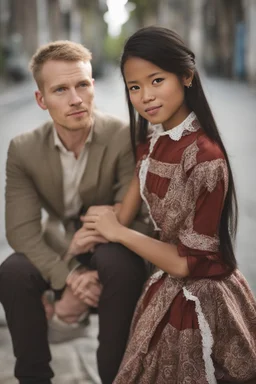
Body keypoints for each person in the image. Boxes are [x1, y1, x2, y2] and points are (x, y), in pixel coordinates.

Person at [82, 27, 256, 383]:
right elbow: (124, 213)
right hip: (164, 286)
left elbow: (185, 262)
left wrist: (117, 231)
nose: (145, 96)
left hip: (202, 297)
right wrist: (92, 234)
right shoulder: (152, 141)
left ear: (187, 76)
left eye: (156, 80)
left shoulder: (206, 158)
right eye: (134, 87)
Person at [0, 40, 149, 384]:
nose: (76, 99)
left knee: (117, 262)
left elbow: (137, 216)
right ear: (41, 100)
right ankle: (34, 377)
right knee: (13, 271)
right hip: (63, 247)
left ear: (93, 85)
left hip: (115, 245)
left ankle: (116, 377)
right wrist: (69, 277)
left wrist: (95, 234)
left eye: (82, 84)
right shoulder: (23, 149)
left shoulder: (125, 136)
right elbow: (21, 231)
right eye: (60, 90)